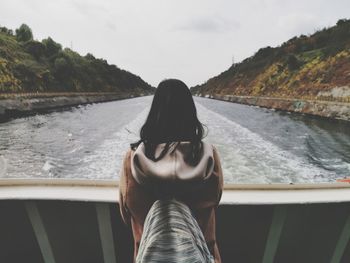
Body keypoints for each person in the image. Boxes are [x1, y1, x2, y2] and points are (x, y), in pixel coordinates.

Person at [119, 79, 223, 263]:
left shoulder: (132, 159)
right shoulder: (209, 156)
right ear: (191, 113)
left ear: (154, 113)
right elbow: (215, 200)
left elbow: (126, 214)